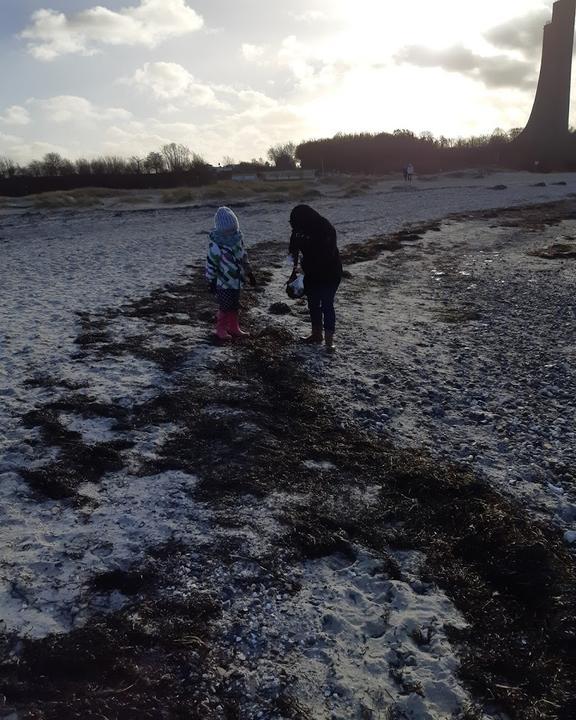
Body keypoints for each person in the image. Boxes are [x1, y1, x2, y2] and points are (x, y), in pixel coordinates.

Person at [288, 204, 342, 353]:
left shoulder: (325, 229)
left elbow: (327, 255)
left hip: (330, 273)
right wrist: (294, 271)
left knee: (326, 304)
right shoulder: (299, 229)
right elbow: (293, 249)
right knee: (313, 304)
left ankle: (329, 341)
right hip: (310, 273)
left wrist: (307, 266)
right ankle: (316, 334)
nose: (293, 226)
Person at [205, 206, 256, 341]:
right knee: (225, 306)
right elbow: (211, 263)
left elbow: (244, 257)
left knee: (234, 305)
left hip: (236, 281)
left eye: (233, 229)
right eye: (228, 231)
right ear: (221, 230)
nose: (231, 233)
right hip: (223, 282)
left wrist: (249, 273)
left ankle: (234, 327)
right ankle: (220, 329)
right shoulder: (216, 244)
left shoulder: (237, 239)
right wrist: (211, 280)